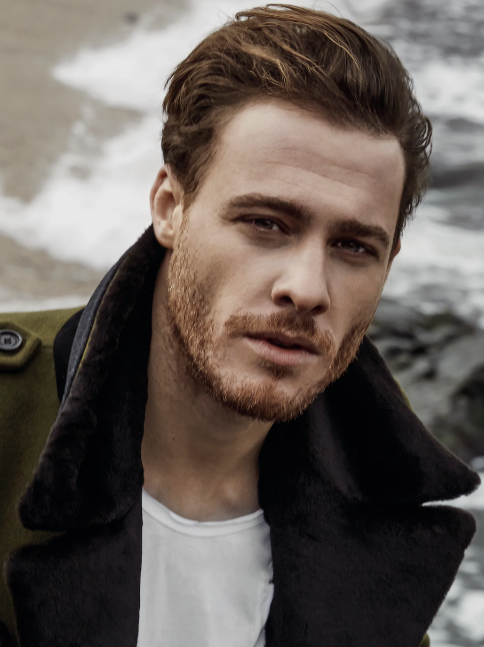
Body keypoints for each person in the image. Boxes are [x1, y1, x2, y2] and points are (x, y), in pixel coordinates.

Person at [0, 5, 480, 647]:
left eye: (353, 247)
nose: (306, 288)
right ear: (170, 208)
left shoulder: (383, 544)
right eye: (266, 224)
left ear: (389, 262)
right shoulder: (8, 416)